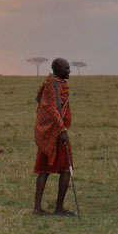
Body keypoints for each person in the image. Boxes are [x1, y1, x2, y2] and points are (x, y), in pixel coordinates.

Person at [33, 57, 74, 215]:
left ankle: (59, 207)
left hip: (60, 131)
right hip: (50, 133)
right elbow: (51, 108)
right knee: (44, 169)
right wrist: (61, 128)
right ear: (57, 69)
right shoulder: (51, 85)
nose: (69, 71)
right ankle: (37, 207)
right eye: (66, 68)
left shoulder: (60, 84)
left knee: (65, 169)